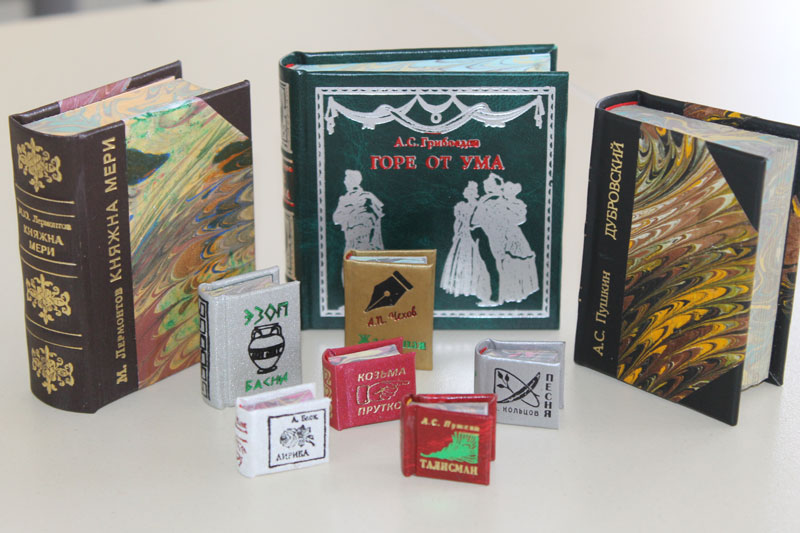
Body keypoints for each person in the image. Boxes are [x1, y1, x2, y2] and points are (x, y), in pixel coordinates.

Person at [440, 181, 490, 302]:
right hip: (463, 236)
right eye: (468, 192)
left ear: (476, 194)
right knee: (461, 259)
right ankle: (461, 288)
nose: (470, 194)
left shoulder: (480, 206)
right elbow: (457, 222)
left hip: (476, 236)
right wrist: (456, 234)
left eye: (472, 192)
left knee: (476, 260)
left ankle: (475, 288)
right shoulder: (461, 206)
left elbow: (484, 222)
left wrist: (476, 228)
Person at [332, 169, 384, 250]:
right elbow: (336, 219)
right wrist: (352, 212)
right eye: (345, 180)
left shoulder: (367, 196)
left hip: (366, 240)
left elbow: (380, 213)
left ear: (353, 181)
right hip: (350, 240)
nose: (345, 182)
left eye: (347, 180)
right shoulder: (343, 199)